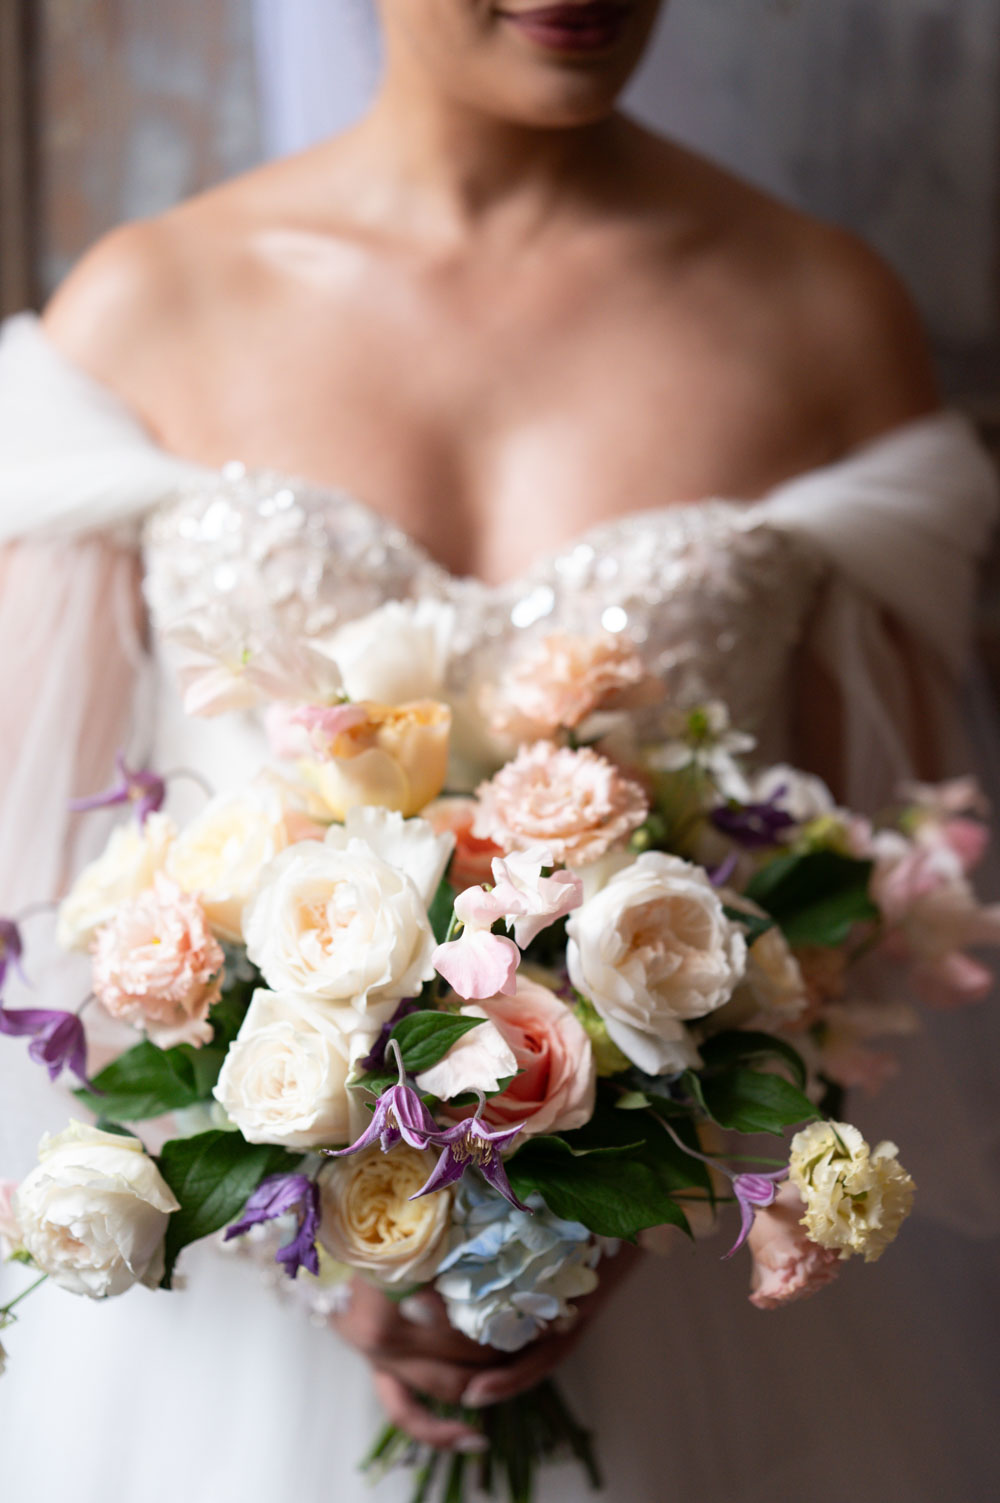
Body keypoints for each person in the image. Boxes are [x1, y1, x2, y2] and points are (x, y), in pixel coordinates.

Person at [1, 3, 998, 1499]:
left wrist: (647, 1193)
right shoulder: (149, 308)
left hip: (698, 1320)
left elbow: (894, 883)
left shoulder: (821, 311)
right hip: (228, 1350)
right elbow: (34, 879)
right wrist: (311, 1221)